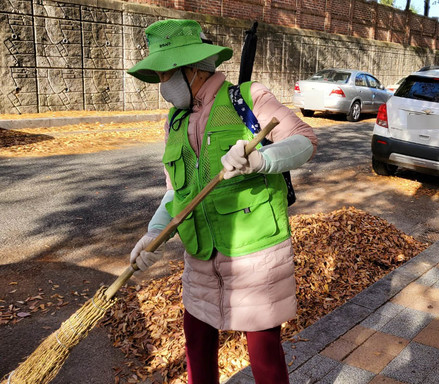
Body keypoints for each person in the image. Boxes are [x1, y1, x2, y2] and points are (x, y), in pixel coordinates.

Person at [126, 19, 317, 384]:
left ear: (191, 68)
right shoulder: (175, 122)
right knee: (197, 351)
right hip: (200, 258)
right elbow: (176, 192)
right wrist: (153, 234)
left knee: (265, 361)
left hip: (254, 255)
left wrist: (260, 159)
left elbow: (305, 140)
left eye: (166, 75)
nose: (162, 86)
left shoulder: (247, 98)